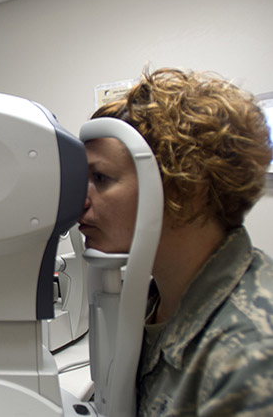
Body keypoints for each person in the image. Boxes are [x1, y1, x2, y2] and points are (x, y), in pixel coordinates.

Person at [79, 67, 273, 415]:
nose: (82, 200)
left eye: (100, 177)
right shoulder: (156, 299)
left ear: (185, 185)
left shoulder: (252, 355)